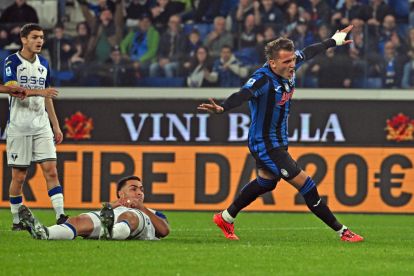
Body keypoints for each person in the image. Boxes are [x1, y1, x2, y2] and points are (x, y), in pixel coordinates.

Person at [198, 25, 364, 243]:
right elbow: (243, 94)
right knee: (306, 184)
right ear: (272, 63)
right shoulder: (262, 79)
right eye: (287, 62)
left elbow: (310, 51)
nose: (292, 65)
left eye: (293, 60)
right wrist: (223, 107)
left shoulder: (289, 65)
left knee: (267, 182)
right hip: (265, 144)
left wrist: (333, 41)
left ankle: (225, 217)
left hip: (278, 140)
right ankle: (342, 231)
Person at [3, 23, 68, 231]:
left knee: (51, 171)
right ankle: (16, 219)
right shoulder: (12, 61)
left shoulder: (44, 63)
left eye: (41, 37)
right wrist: (41, 92)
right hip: (19, 126)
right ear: (23, 39)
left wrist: (55, 126)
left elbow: (48, 97)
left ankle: (61, 216)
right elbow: (13, 89)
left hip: (41, 126)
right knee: (19, 176)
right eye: (35, 37)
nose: (40, 41)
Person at [18, 176, 170, 241]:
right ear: (121, 193)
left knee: (129, 216)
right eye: (134, 189)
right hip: (111, 217)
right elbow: (104, 210)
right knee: (79, 220)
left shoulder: (151, 212)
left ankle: (110, 232)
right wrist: (116, 204)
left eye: (141, 189)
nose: (139, 192)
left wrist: (142, 208)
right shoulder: (110, 208)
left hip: (137, 219)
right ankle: (45, 233)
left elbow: (164, 231)